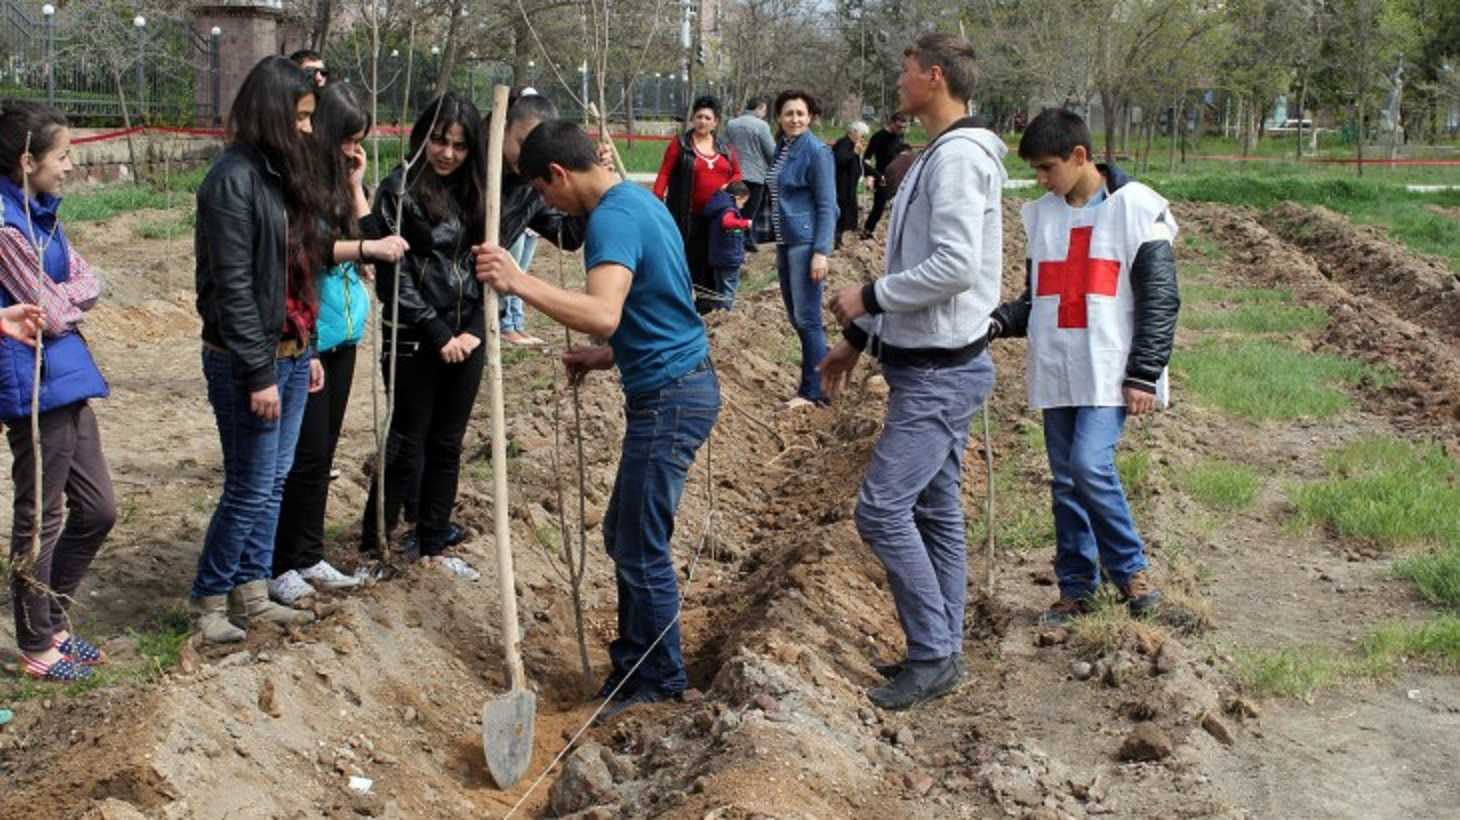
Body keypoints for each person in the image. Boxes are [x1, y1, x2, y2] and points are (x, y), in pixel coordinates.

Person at [474, 119, 718, 720]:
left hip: (671, 396)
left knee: (639, 543)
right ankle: (637, 659)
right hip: (675, 382)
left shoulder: (613, 217)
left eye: (544, 193)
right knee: (624, 535)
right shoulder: (638, 200)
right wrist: (608, 356)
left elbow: (604, 310)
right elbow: (660, 303)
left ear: (558, 175)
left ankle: (660, 678)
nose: (548, 207)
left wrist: (517, 281)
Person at [821, 33, 1005, 710]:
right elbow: (921, 270)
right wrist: (858, 339)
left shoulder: (957, 160)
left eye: (904, 73)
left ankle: (933, 654)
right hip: (929, 362)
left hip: (937, 373)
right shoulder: (941, 156)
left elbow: (953, 268)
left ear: (933, 77)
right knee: (933, 509)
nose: (898, 84)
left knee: (881, 510)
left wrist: (867, 298)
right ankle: (941, 646)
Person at [988, 108, 1177, 625]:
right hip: (1057, 364)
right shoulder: (1043, 215)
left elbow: (1160, 298)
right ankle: (1077, 589)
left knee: (1090, 467)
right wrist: (998, 321)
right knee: (1065, 481)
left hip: (1110, 366)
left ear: (1079, 156)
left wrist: (1144, 371)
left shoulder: (1136, 208)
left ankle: (1132, 574)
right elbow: (1040, 299)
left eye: (1048, 168)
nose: (1043, 181)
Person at [192, 56, 324, 642]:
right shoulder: (231, 181)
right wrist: (258, 372)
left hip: (293, 354)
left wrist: (308, 347)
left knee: (274, 480)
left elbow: (295, 274)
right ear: (273, 115)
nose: (307, 130)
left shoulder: (278, 174)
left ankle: (252, 591)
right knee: (248, 484)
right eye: (299, 118)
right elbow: (234, 288)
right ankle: (210, 601)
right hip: (251, 360)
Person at [269, 83, 410, 605]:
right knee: (302, 457)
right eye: (347, 139)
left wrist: (355, 183)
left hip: (344, 333)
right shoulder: (296, 185)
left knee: (322, 454)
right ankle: (281, 562)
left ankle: (308, 555)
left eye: (360, 141)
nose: (354, 149)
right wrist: (367, 245)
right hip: (310, 335)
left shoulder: (336, 182)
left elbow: (366, 230)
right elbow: (312, 250)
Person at [0, 100, 113, 681]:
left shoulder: (40, 212)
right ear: (27, 161)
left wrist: (69, 294)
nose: (70, 166)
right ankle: (36, 642)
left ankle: (55, 615)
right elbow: (52, 309)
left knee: (98, 510)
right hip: (34, 381)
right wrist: (68, 295)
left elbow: (89, 279)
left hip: (69, 375)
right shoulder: (4, 224)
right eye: (63, 155)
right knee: (39, 517)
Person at [359, 93, 487, 580]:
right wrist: (437, 331)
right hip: (415, 334)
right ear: (421, 137)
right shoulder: (399, 190)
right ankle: (376, 546)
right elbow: (396, 278)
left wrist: (473, 332)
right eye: (438, 140)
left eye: (458, 144)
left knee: (449, 443)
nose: (447, 153)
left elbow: (484, 267)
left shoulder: (480, 194)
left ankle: (433, 541)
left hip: (467, 337)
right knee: (407, 440)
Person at [768, 89, 836, 410]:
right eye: (788, 114)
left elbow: (827, 206)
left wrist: (821, 251)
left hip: (806, 244)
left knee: (808, 319)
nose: (794, 119)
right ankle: (819, 378)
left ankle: (815, 392)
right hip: (787, 241)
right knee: (798, 319)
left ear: (810, 117)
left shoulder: (816, 152)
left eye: (800, 114)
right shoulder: (783, 147)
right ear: (779, 118)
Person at [653, 95, 742, 313]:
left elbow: (737, 174)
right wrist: (656, 201)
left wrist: (728, 186)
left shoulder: (725, 149)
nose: (702, 121)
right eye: (698, 116)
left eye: (707, 117)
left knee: (714, 261)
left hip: (718, 219)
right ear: (693, 119)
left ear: (716, 122)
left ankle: (712, 307)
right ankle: (687, 306)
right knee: (690, 260)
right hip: (687, 216)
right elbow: (664, 173)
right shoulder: (680, 145)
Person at [724, 97, 776, 251]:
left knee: (734, 209)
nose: (765, 114)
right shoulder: (762, 126)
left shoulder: (731, 123)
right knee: (750, 211)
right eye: (764, 110)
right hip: (756, 175)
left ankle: (732, 238)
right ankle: (746, 240)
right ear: (759, 108)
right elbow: (771, 152)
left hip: (734, 175)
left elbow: (724, 146)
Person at [703, 179, 752, 310]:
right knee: (729, 287)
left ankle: (719, 311)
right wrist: (744, 223)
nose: (742, 206)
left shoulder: (717, 207)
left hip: (717, 257)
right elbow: (727, 223)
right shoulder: (728, 209)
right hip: (729, 258)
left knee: (720, 289)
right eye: (743, 202)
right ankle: (727, 314)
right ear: (737, 197)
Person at [860, 112, 909, 239]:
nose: (901, 130)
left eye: (904, 128)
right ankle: (867, 231)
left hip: (899, 175)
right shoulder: (878, 136)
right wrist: (870, 177)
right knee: (879, 207)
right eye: (899, 127)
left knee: (902, 205)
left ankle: (900, 234)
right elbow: (866, 159)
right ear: (891, 123)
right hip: (882, 176)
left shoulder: (900, 136)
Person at [832, 121, 870, 249]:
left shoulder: (852, 145)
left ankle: (840, 239)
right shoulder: (843, 144)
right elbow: (840, 160)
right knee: (841, 214)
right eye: (862, 135)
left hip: (850, 186)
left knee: (847, 214)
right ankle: (836, 240)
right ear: (854, 132)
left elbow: (861, 164)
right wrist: (854, 152)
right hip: (842, 186)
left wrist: (876, 175)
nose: (863, 139)